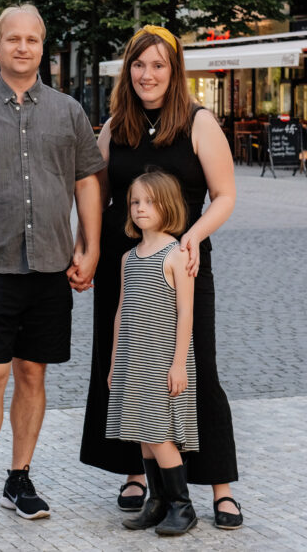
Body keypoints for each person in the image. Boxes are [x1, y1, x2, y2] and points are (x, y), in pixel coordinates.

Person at [0, 4, 105, 532]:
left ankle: (19, 477)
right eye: (14, 39)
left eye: (32, 39)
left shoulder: (69, 111)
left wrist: (90, 247)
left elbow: (86, 181)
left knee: (33, 374)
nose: (23, 47)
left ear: (42, 46)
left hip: (52, 266)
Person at [79, 25, 242, 531]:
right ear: (128, 71)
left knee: (196, 368)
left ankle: (219, 487)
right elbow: (96, 196)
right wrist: (86, 248)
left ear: (174, 72)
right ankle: (137, 474)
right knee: (123, 365)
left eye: (158, 65)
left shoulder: (199, 122)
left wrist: (192, 237)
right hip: (123, 265)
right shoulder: (113, 127)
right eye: (139, 65)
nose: (147, 74)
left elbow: (226, 195)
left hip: (183, 262)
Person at [108, 171, 198, 536]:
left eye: (149, 202)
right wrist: (115, 362)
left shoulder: (176, 254)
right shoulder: (129, 258)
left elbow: (186, 312)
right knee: (144, 433)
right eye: (135, 202)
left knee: (160, 433)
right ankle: (157, 501)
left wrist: (178, 364)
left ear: (168, 206)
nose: (141, 208)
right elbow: (121, 310)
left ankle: (182, 504)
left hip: (163, 360)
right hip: (134, 358)